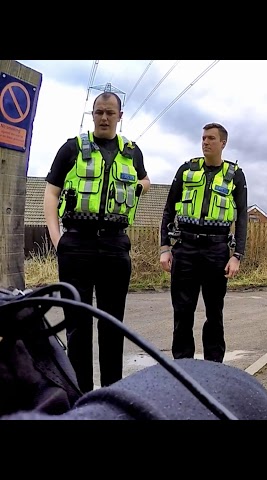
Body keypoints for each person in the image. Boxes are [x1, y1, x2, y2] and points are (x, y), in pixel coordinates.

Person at [43, 91, 150, 393]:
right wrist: (56, 238)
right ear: (93, 114)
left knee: (112, 326)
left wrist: (139, 187)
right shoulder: (71, 149)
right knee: (77, 326)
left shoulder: (132, 152)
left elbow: (146, 180)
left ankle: (111, 394)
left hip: (116, 246)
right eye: (99, 112)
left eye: (110, 113)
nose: (104, 117)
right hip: (76, 245)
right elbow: (51, 192)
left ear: (120, 116)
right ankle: (81, 396)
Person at [159, 122, 248, 363]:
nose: (205, 142)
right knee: (182, 313)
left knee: (214, 314)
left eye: (211, 138)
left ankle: (213, 368)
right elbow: (168, 210)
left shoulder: (235, 176)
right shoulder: (187, 170)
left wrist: (236, 255)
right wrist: (165, 248)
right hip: (185, 249)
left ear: (223, 143)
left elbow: (241, 218)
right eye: (203, 138)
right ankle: (183, 367)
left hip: (216, 250)